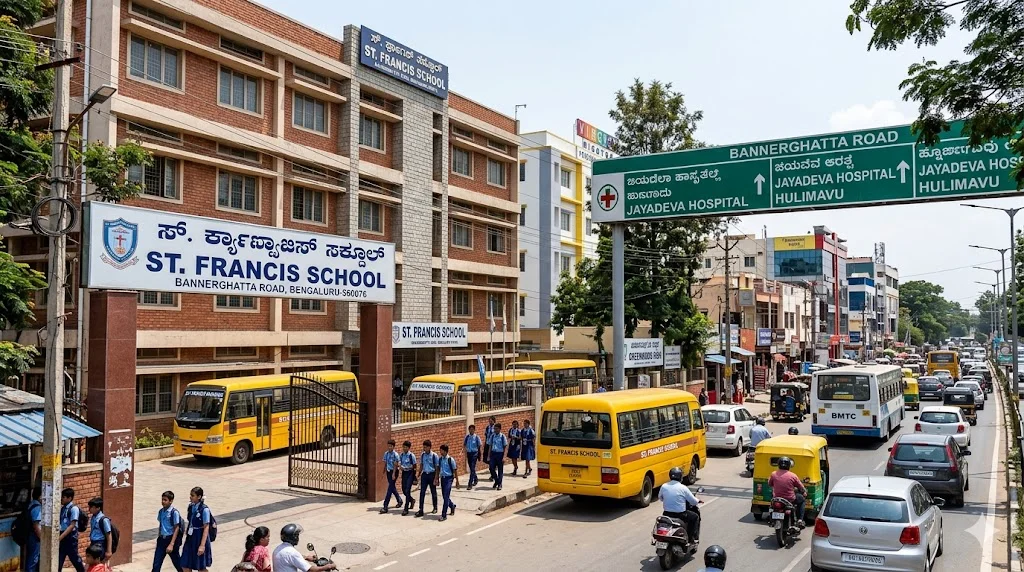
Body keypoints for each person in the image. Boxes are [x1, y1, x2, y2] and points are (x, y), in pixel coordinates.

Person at [658, 467, 701, 542]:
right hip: (680, 515)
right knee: (695, 517)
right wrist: (698, 501)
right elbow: (693, 501)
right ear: (680, 477)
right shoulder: (683, 488)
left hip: (666, 514)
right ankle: (691, 539)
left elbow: (660, 498)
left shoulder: (664, 486)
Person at [271, 524, 336, 572]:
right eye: (297, 535)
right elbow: (311, 570)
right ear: (294, 537)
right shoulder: (292, 552)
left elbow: (289, 558)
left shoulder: (278, 549)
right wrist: (328, 566)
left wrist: (307, 557)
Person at [181, 486, 213, 572]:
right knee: (185, 564)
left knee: (200, 566)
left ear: (199, 497)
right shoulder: (191, 507)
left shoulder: (204, 509)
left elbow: (206, 527)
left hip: (199, 537)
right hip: (191, 537)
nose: (190, 497)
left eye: (193, 495)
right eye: (190, 495)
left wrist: (202, 545)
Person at [769, 457, 807, 528]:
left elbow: (770, 484)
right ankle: (800, 520)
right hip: (790, 499)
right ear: (789, 465)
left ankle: (771, 518)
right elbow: (800, 487)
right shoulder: (793, 475)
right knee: (802, 500)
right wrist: (804, 491)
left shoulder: (773, 474)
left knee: (771, 503)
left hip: (776, 498)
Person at [154, 490, 184, 572]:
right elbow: (161, 524)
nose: (163, 502)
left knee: (177, 562)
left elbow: (176, 528)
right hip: (161, 540)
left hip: (171, 539)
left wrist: (171, 544)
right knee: (156, 565)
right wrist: (159, 536)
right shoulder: (161, 511)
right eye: (162, 499)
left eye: (165, 500)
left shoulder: (174, 513)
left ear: (171, 501)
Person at [58, 487, 86, 572]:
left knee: (74, 557)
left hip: (70, 537)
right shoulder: (63, 508)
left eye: (63, 497)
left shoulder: (74, 509)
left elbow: (72, 525)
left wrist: (60, 537)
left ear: (69, 498)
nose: (61, 499)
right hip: (63, 535)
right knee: (59, 558)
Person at [415, 440, 439, 517]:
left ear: (429, 447)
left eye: (425, 447)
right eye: (423, 447)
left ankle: (435, 507)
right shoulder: (423, 455)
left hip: (432, 474)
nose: (424, 448)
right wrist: (419, 474)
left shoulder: (434, 456)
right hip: (425, 474)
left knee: (433, 492)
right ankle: (421, 509)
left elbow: (436, 467)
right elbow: (421, 464)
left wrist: (436, 477)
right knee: (422, 492)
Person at [380, 439, 402, 514]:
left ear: (393, 447)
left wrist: (393, 474)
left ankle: (385, 506)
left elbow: (396, 465)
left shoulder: (395, 455)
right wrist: (384, 471)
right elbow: (386, 463)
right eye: (388, 446)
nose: (389, 447)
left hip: (394, 472)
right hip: (389, 471)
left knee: (389, 489)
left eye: (391, 446)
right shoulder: (386, 454)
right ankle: (399, 500)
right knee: (392, 488)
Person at [87, 497, 113, 561]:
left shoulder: (103, 520)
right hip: (93, 543)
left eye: (91, 507)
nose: (89, 509)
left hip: (100, 544)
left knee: (99, 563)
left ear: (98, 508)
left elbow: (109, 535)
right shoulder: (93, 517)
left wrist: (109, 551)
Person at [437, 444, 458, 521]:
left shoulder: (450, 459)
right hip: (443, 478)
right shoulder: (440, 459)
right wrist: (437, 478)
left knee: (446, 496)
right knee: (444, 496)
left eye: (441, 450)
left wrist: (457, 481)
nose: (440, 452)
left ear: (445, 451)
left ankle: (444, 514)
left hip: (449, 479)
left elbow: (455, 470)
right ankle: (452, 506)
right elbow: (438, 469)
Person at [488, 422, 508, 490]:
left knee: (500, 470)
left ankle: (500, 484)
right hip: (493, 454)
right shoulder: (492, 436)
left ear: (500, 429)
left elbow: (505, 447)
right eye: (494, 429)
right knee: (491, 468)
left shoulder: (502, 436)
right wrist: (488, 455)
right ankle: (496, 480)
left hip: (500, 454)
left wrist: (504, 457)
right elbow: (490, 446)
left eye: (496, 429)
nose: (495, 430)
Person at [399, 440, 417, 516]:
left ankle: (406, 508)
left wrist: (413, 475)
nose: (404, 448)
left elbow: (414, 466)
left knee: (408, 490)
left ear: (409, 448)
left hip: (410, 473)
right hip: (404, 473)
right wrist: (401, 467)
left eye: (406, 447)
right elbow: (399, 462)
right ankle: (411, 500)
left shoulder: (411, 456)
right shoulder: (402, 455)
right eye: (403, 447)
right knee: (403, 489)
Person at [26, 486, 41, 572]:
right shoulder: (37, 508)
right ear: (40, 496)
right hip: (34, 537)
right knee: (33, 560)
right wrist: (41, 538)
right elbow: (36, 525)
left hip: (30, 535)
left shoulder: (31, 504)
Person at [464, 425, 482, 490]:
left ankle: (470, 484)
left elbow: (479, 446)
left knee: (472, 467)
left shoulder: (477, 437)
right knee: (471, 468)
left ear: (474, 430)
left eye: (472, 429)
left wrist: (480, 455)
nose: (471, 431)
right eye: (470, 429)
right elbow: (464, 445)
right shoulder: (467, 437)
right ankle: (476, 478)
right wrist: (465, 454)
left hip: (475, 454)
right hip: (469, 454)